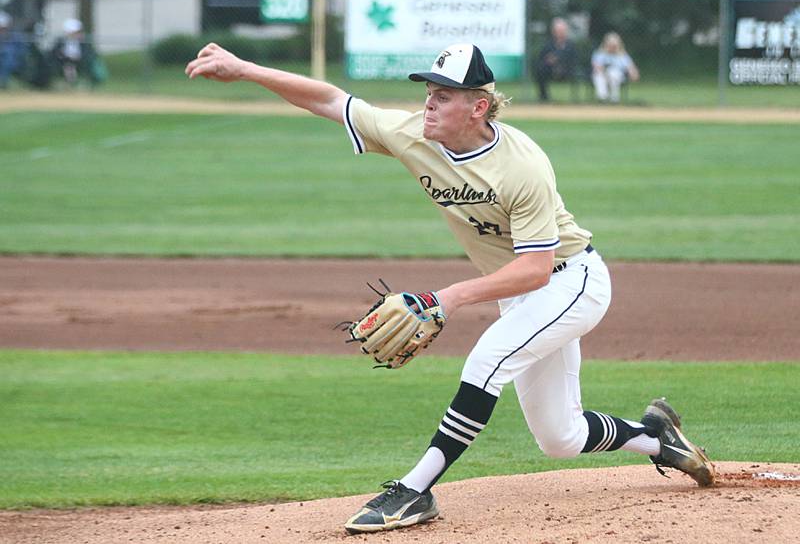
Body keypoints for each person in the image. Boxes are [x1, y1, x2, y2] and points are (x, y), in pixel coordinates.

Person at [185, 41, 716, 535]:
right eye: (428, 93)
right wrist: (246, 70)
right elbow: (329, 99)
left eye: (442, 96)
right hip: (523, 292)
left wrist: (446, 299)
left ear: (478, 106)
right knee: (560, 438)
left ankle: (414, 491)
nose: (428, 105)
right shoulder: (414, 134)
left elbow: (535, 269)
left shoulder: (523, 166)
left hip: (571, 281)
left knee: (487, 361)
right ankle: (655, 436)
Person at [50, 18, 106, 87]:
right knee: (68, 66)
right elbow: (55, 53)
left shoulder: (84, 43)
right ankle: (69, 82)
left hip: (80, 62)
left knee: (73, 66)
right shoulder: (60, 42)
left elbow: (89, 54)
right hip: (63, 62)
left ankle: (74, 82)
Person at [534, 17, 577, 102]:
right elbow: (542, 57)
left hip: (566, 69)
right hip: (550, 69)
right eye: (558, 31)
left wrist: (559, 59)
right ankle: (544, 97)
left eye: (562, 30)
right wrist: (549, 60)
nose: (560, 33)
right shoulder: (548, 44)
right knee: (540, 69)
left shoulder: (570, 44)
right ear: (554, 32)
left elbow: (573, 58)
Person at [591, 32, 639, 103]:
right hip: (602, 75)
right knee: (599, 75)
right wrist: (605, 73)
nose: (612, 47)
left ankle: (614, 98)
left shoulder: (623, 56)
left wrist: (633, 74)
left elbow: (631, 67)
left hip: (617, 77)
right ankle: (603, 98)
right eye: (610, 45)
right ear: (606, 44)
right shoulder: (600, 54)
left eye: (614, 45)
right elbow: (596, 66)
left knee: (613, 73)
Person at [0, 10, 24, 89]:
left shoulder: (14, 36)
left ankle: (4, 83)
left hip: (9, 61)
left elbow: (20, 49)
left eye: (4, 27)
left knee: (8, 60)